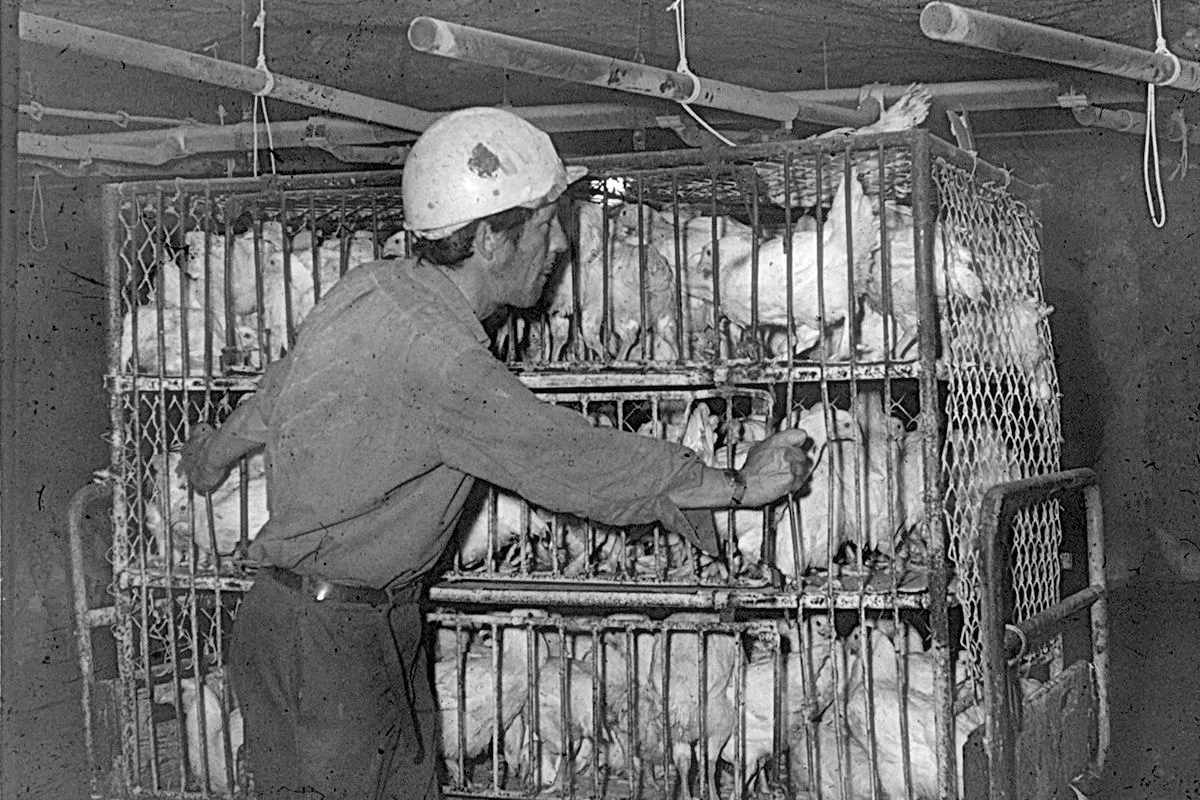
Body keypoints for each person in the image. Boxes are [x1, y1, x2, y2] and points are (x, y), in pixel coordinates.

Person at [178, 106, 812, 800]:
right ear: (488, 240)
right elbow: (564, 457)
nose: (563, 247)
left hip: (330, 625)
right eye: (546, 226)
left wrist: (214, 454)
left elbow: (279, 389)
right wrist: (734, 485)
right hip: (332, 645)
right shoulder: (445, 361)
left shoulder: (368, 289)